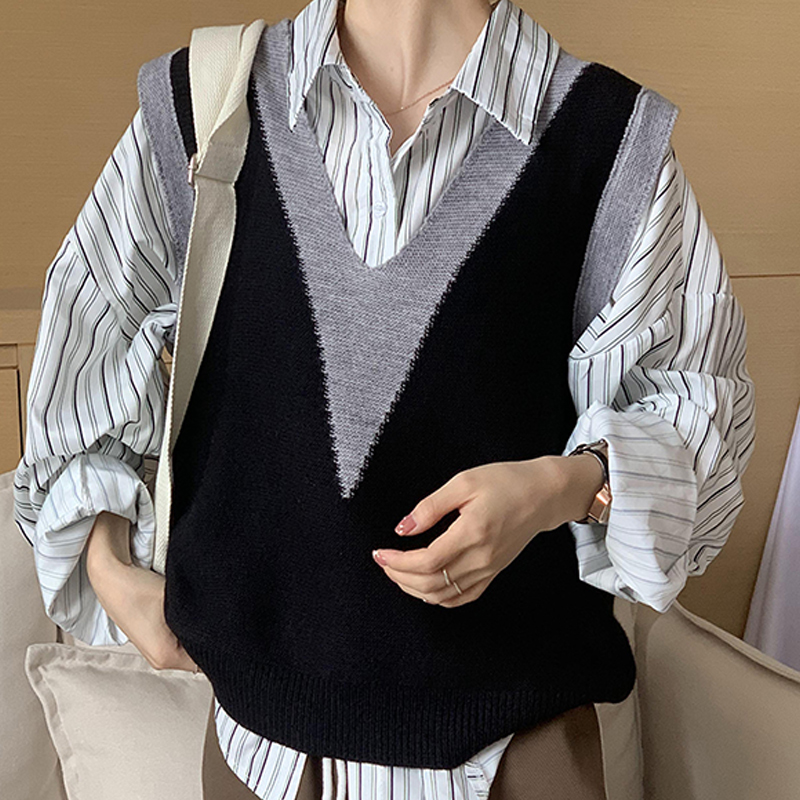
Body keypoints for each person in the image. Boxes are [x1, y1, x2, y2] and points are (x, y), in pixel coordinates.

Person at [13, 0, 756, 798]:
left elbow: (699, 430)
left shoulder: (609, 141)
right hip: (259, 757)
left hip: (517, 756)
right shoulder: (205, 105)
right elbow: (82, 354)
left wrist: (560, 486)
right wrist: (110, 571)